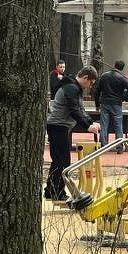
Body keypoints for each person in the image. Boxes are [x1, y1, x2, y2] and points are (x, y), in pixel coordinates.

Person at [45, 66, 100, 200]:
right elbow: (74, 110)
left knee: (59, 161)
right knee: (62, 162)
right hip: (58, 127)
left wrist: (90, 122)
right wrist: (87, 126)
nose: (90, 86)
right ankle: (57, 193)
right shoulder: (71, 88)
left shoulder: (73, 87)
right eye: (91, 83)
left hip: (59, 127)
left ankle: (51, 191)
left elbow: (80, 109)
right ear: (85, 78)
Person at [93, 59, 128, 151]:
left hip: (105, 104)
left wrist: (97, 105)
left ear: (114, 64)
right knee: (118, 126)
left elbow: (97, 91)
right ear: (122, 68)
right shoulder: (122, 78)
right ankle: (119, 147)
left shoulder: (104, 76)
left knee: (104, 125)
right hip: (117, 104)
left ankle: (103, 146)